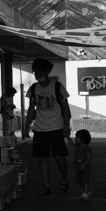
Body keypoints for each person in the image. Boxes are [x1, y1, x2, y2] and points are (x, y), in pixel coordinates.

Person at [22, 58, 72, 196]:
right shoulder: (33, 89)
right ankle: (46, 186)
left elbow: (66, 109)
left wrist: (66, 126)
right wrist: (26, 127)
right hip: (40, 129)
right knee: (42, 158)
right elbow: (31, 109)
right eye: (35, 72)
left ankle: (64, 181)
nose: (36, 75)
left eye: (39, 71)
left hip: (56, 127)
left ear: (47, 71)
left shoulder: (58, 87)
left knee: (58, 156)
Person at [71, 128, 93, 200]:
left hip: (85, 168)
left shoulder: (86, 148)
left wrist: (83, 165)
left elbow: (89, 158)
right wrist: (68, 138)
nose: (75, 139)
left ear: (82, 139)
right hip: (78, 166)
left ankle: (85, 193)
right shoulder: (78, 146)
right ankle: (87, 190)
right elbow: (72, 144)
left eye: (77, 137)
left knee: (84, 180)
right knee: (78, 180)